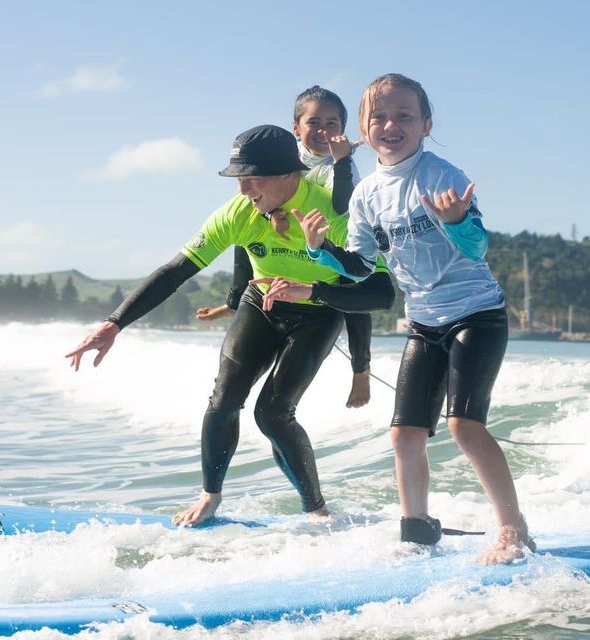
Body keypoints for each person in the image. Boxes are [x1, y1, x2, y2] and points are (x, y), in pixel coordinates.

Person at [66, 125, 394, 527]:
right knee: (222, 401)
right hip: (262, 303)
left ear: (288, 175)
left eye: (252, 179)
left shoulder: (334, 213)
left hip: (319, 310)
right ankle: (210, 495)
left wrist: (317, 298)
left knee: (273, 414)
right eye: (239, 179)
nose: (244, 190)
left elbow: (379, 295)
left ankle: (316, 509)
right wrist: (115, 323)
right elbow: (175, 272)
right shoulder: (238, 214)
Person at [266, 73, 532, 564]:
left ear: (426, 124)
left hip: (477, 314)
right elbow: (361, 266)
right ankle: (417, 532)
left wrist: (455, 222)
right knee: (404, 433)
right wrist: (320, 250)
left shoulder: (442, 176)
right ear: (364, 131)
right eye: (379, 117)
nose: (391, 124)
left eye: (404, 115)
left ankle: (513, 531)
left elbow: (478, 247)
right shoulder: (367, 194)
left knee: (463, 427)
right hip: (424, 324)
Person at [196, 86, 376, 409]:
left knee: (355, 282)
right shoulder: (282, 157)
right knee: (244, 235)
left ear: (343, 131)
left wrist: (343, 161)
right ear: (296, 127)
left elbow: (340, 207)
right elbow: (260, 194)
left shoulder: (341, 164)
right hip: (289, 242)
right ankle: (235, 302)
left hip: (331, 243)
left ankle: (361, 369)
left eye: (332, 124)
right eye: (314, 122)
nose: (323, 131)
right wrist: (272, 215)